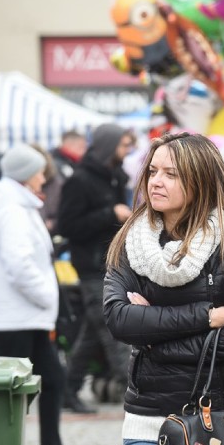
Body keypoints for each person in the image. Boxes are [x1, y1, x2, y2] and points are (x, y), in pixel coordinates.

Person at [102, 132, 224, 445]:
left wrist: (156, 343)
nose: (156, 181)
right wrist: (205, 317)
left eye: (171, 174)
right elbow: (120, 319)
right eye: (152, 171)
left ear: (202, 179)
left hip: (220, 420)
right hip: (147, 418)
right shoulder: (133, 239)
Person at [0, 144, 92, 445]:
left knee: (52, 380)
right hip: (14, 316)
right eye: (39, 171)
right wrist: (46, 295)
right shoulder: (12, 211)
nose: (44, 176)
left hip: (23, 315)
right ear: (27, 174)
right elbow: (19, 265)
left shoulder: (18, 206)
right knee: (10, 395)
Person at [57, 123, 134, 412]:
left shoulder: (114, 176)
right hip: (90, 265)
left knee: (93, 330)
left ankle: (68, 389)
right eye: (123, 145)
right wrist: (109, 214)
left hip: (111, 262)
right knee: (109, 326)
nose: (126, 151)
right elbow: (68, 226)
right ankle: (133, 391)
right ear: (108, 146)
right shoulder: (80, 180)